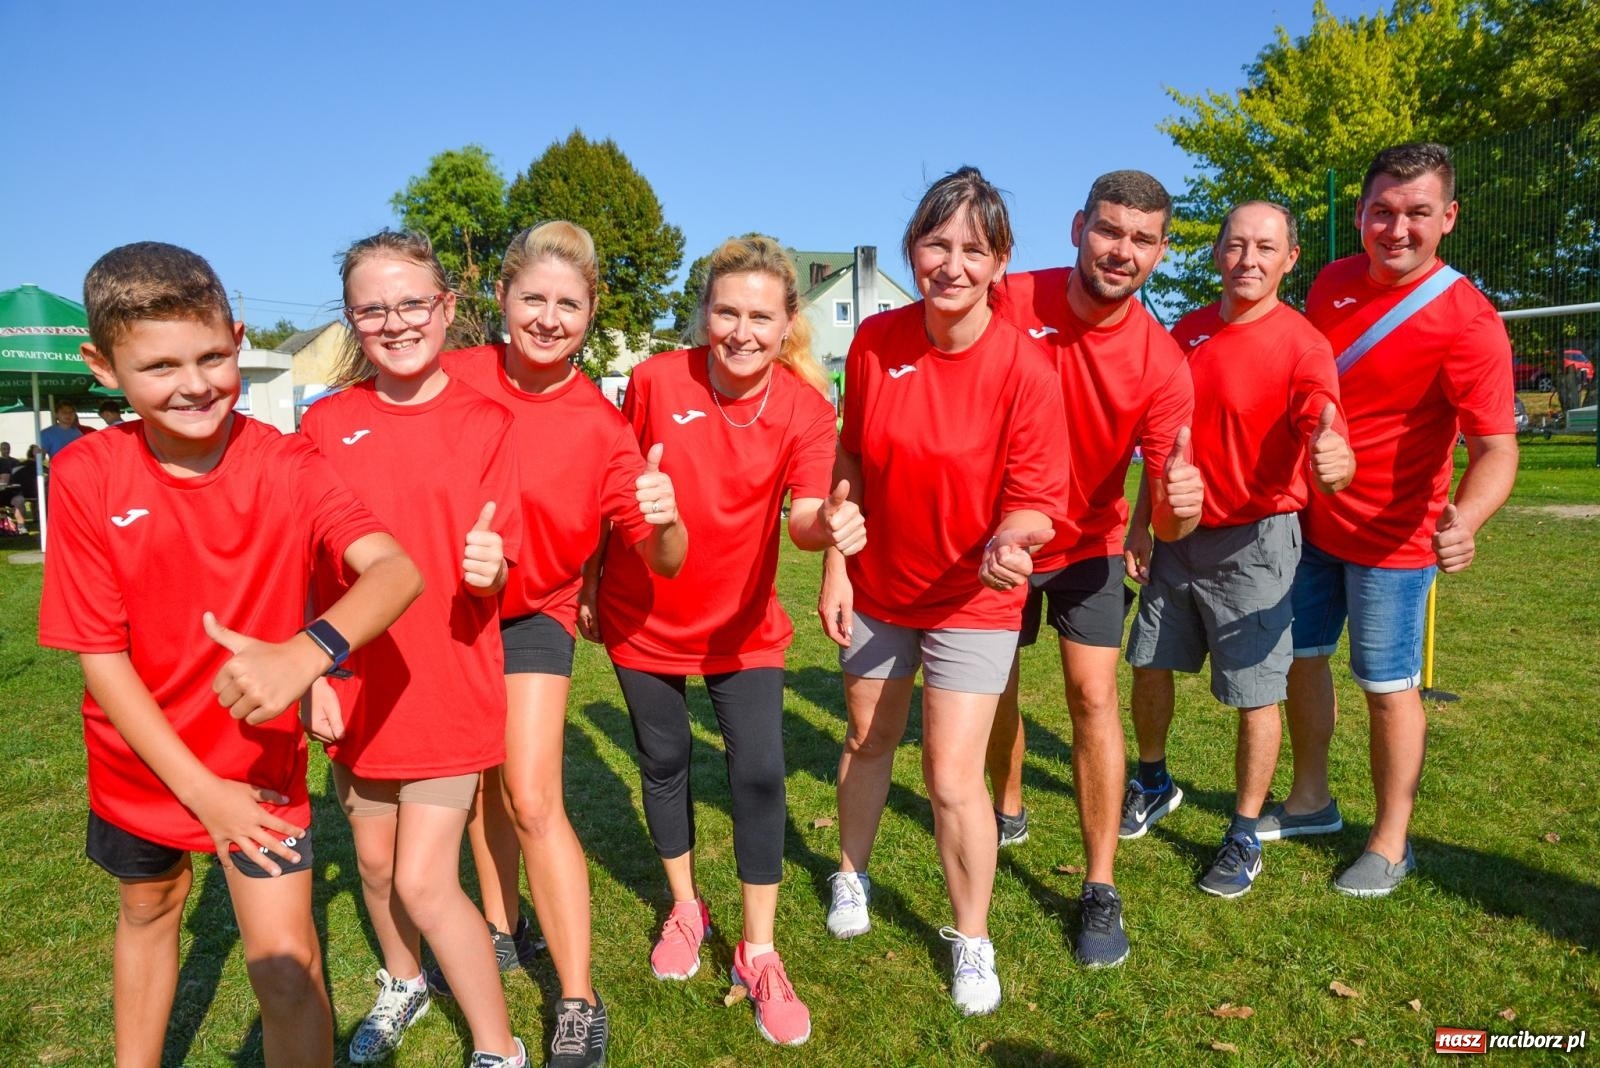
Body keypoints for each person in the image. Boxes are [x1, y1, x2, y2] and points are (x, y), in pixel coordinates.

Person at [38, 241, 422, 1067]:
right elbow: (100, 657)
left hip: (258, 774)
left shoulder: (289, 463)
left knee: (286, 970)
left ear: (239, 339)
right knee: (149, 907)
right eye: (159, 366)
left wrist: (308, 653)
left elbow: (396, 570)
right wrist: (199, 793)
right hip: (138, 762)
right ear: (102, 367)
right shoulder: (87, 475)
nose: (194, 384)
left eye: (212, 356)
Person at [594, 234, 862, 1046]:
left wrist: (831, 527)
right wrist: (588, 580)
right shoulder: (653, 379)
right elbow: (611, 487)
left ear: (787, 324)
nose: (742, 332)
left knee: (760, 773)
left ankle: (759, 950)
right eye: (726, 313)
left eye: (760, 317)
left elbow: (805, 517)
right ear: (705, 314)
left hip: (743, 627)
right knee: (664, 760)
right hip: (641, 614)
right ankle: (686, 908)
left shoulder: (806, 408)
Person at [821, 167, 1072, 1016]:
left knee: (953, 775)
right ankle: (851, 873)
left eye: (973, 248)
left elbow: (1037, 502)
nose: (952, 264)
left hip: (975, 597)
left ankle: (972, 938)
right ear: (912, 250)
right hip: (882, 587)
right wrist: (837, 560)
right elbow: (851, 458)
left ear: (1001, 261)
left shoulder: (1026, 368)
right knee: (867, 737)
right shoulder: (874, 342)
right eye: (936, 244)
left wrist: (1011, 539)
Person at [441, 220, 688, 1068]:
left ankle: (579, 1000)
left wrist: (665, 518)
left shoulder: (602, 427)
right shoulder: (451, 377)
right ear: (501, 297)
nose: (548, 318)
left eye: (568, 305)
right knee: (481, 785)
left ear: (591, 313)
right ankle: (502, 926)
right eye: (533, 298)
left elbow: (665, 558)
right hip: (448, 612)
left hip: (532, 614)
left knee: (533, 795)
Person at [300, 229, 530, 1067]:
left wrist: (491, 569)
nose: (395, 323)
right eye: (372, 310)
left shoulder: (488, 422)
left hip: (450, 681)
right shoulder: (324, 425)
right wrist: (313, 672)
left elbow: (503, 554)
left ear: (446, 306)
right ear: (351, 320)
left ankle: (499, 1047)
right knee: (372, 863)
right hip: (358, 683)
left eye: (411, 303)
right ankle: (404, 982)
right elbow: (305, 563)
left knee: (424, 880)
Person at [1272, 142, 1517, 896]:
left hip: (1396, 541)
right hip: (1311, 524)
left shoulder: (1470, 321)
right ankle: (1311, 801)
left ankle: (1390, 842)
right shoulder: (1332, 282)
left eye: (1417, 213)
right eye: (1382, 211)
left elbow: (1496, 449)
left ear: (1449, 217)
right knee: (1301, 660)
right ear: (1360, 215)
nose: (1397, 229)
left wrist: (1466, 519)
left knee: (1387, 687)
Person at [987, 170, 1199, 967]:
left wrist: (1181, 505)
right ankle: (1007, 804)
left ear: (1160, 251)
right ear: (1079, 228)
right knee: (997, 685)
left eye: (1142, 239)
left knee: (1093, 697)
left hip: (1090, 543)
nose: (1122, 250)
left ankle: (1100, 885)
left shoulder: (1162, 362)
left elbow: (1172, 518)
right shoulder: (1009, 300)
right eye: (1109, 230)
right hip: (1000, 540)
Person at [1121, 201, 1354, 898]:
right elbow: (1163, 440)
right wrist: (1141, 522)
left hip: (1257, 544)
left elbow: (1323, 419)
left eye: (1265, 247)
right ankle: (1153, 781)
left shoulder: (1303, 344)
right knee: (1148, 662)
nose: (1248, 259)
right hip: (1175, 536)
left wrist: (1333, 450)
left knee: (1255, 693)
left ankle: (1244, 832)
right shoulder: (1187, 332)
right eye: (1236, 245)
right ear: (1217, 251)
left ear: (1290, 259)